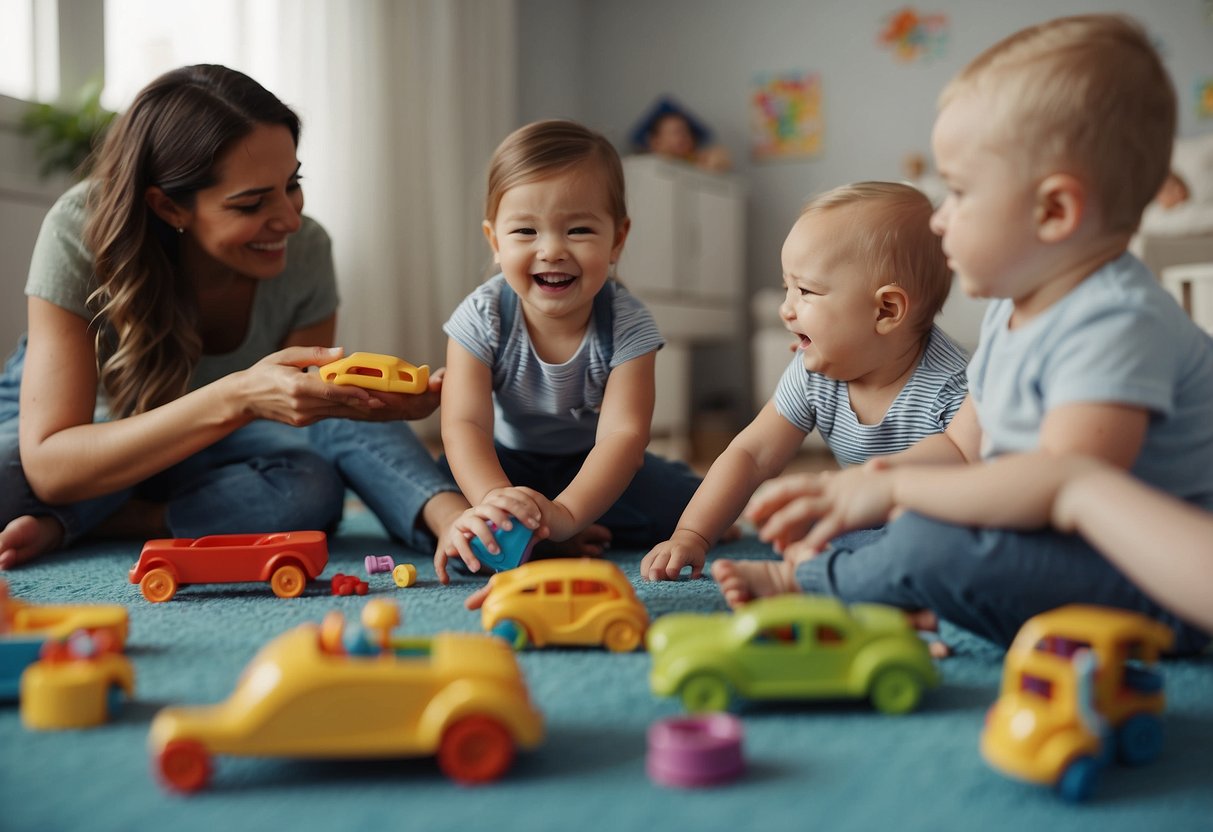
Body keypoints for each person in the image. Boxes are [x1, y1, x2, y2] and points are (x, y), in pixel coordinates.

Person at [713, 14, 1213, 655]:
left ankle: (813, 583)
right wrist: (862, 485)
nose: (940, 220)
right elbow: (959, 448)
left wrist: (895, 489)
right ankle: (911, 603)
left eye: (957, 192)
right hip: (1072, 556)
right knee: (916, 518)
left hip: (1155, 589)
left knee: (929, 538)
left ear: (1054, 212)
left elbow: (1064, 481)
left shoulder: (1116, 322)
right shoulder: (1014, 311)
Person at [0, 64, 470, 570]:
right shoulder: (79, 230)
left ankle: (105, 519)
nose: (290, 220)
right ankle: (106, 513)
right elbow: (51, 466)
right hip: (90, 428)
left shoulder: (307, 248)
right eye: (251, 203)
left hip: (212, 449)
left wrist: (360, 404)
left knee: (306, 491)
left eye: (293, 183)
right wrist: (239, 394)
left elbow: (315, 425)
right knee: (9, 480)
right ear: (168, 207)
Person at [641, 182, 967, 581]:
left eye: (806, 291)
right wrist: (691, 533)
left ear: (886, 310)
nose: (785, 309)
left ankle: (827, 577)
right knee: (822, 535)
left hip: (936, 519)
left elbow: (971, 475)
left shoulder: (952, 389)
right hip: (861, 518)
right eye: (786, 288)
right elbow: (751, 454)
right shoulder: (815, 373)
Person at [436, 119, 701, 584]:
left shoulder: (627, 323)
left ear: (617, 239)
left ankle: (558, 532)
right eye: (525, 232)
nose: (552, 250)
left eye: (578, 230)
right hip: (505, 460)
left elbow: (623, 437)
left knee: (691, 509)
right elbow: (464, 424)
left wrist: (566, 514)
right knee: (446, 509)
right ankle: (540, 531)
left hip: (590, 462)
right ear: (495, 241)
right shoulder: (481, 316)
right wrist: (497, 498)